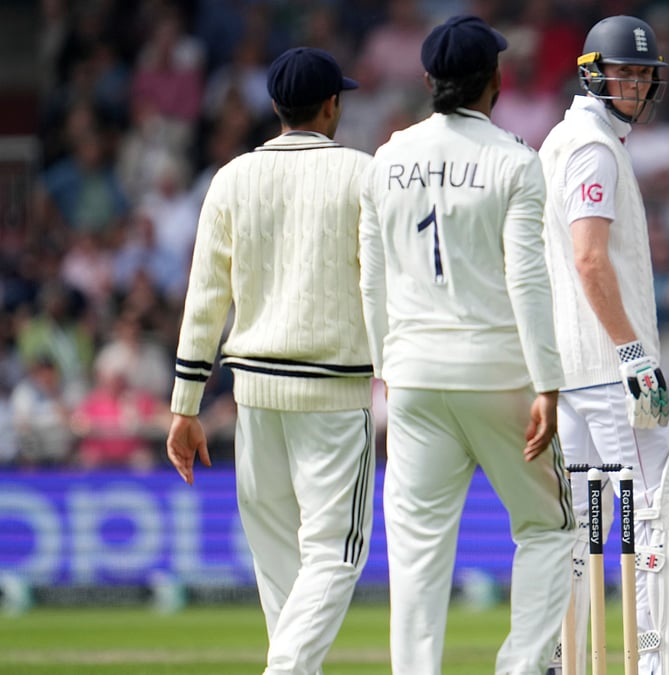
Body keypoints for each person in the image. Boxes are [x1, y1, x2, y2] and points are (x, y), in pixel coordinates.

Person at [358, 16, 573, 675]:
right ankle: (520, 666)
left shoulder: (387, 157)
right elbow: (528, 278)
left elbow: (371, 277)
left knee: (416, 552)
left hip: (414, 377)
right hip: (499, 373)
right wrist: (548, 383)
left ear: (429, 80)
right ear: (495, 80)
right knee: (549, 527)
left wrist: (385, 369)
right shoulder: (514, 160)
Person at [165, 47, 375, 675]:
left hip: (254, 394)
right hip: (333, 392)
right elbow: (382, 285)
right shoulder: (362, 174)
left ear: (276, 106)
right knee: (336, 553)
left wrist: (184, 406)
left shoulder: (231, 177)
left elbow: (205, 298)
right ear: (331, 104)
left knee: (280, 561)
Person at [539, 15, 669, 675]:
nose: (632, 85)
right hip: (611, 373)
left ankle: (560, 659)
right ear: (592, 75)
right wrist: (633, 354)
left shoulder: (562, 139)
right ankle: (660, 663)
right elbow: (588, 258)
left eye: (641, 74)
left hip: (572, 370)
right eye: (621, 73)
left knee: (579, 526)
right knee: (659, 513)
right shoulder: (593, 148)